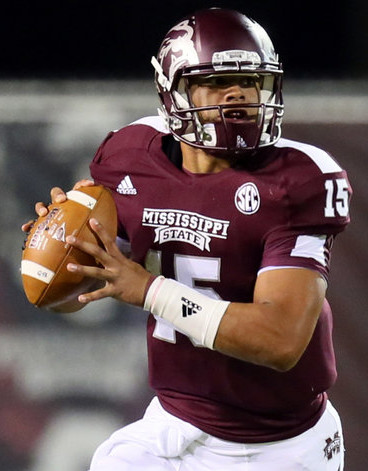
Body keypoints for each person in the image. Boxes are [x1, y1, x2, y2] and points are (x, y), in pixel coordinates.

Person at [23, 8, 351, 470]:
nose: (238, 94)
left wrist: (149, 289)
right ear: (173, 91)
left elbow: (280, 341)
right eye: (216, 82)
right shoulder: (128, 157)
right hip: (173, 425)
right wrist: (65, 250)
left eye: (252, 82)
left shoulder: (297, 180)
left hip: (279, 444)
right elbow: (71, 297)